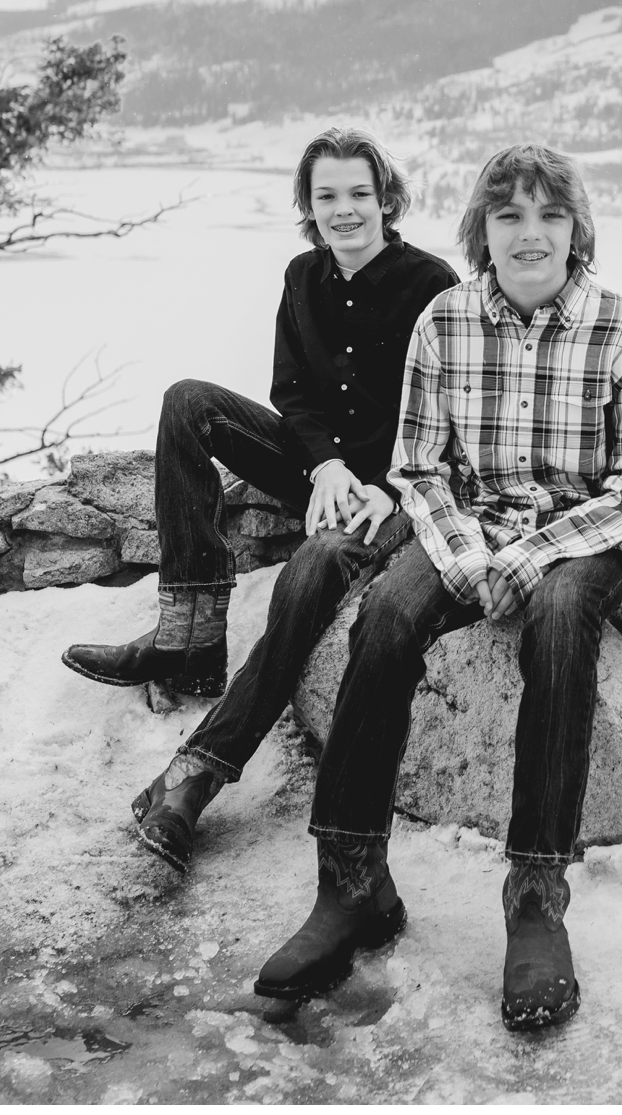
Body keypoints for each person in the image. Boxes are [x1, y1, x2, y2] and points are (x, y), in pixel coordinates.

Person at [251, 144, 622, 1034]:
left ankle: (535, 896)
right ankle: (353, 882)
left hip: (576, 536)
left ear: (577, 228)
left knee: (559, 620)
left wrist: (535, 555)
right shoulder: (444, 323)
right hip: (466, 523)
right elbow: (418, 466)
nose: (530, 233)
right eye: (509, 215)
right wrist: (467, 554)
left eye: (549, 215)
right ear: (481, 229)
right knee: (388, 614)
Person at [76, 131, 460, 872]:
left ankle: (197, 773)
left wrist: (373, 484)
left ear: (387, 199)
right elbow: (291, 392)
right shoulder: (301, 275)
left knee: (314, 564)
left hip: (395, 490)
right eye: (326, 197)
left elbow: (442, 414)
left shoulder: (431, 284)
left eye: (358, 194)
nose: (344, 210)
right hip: (326, 472)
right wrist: (322, 467)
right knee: (188, 403)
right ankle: (190, 634)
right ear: (308, 207)